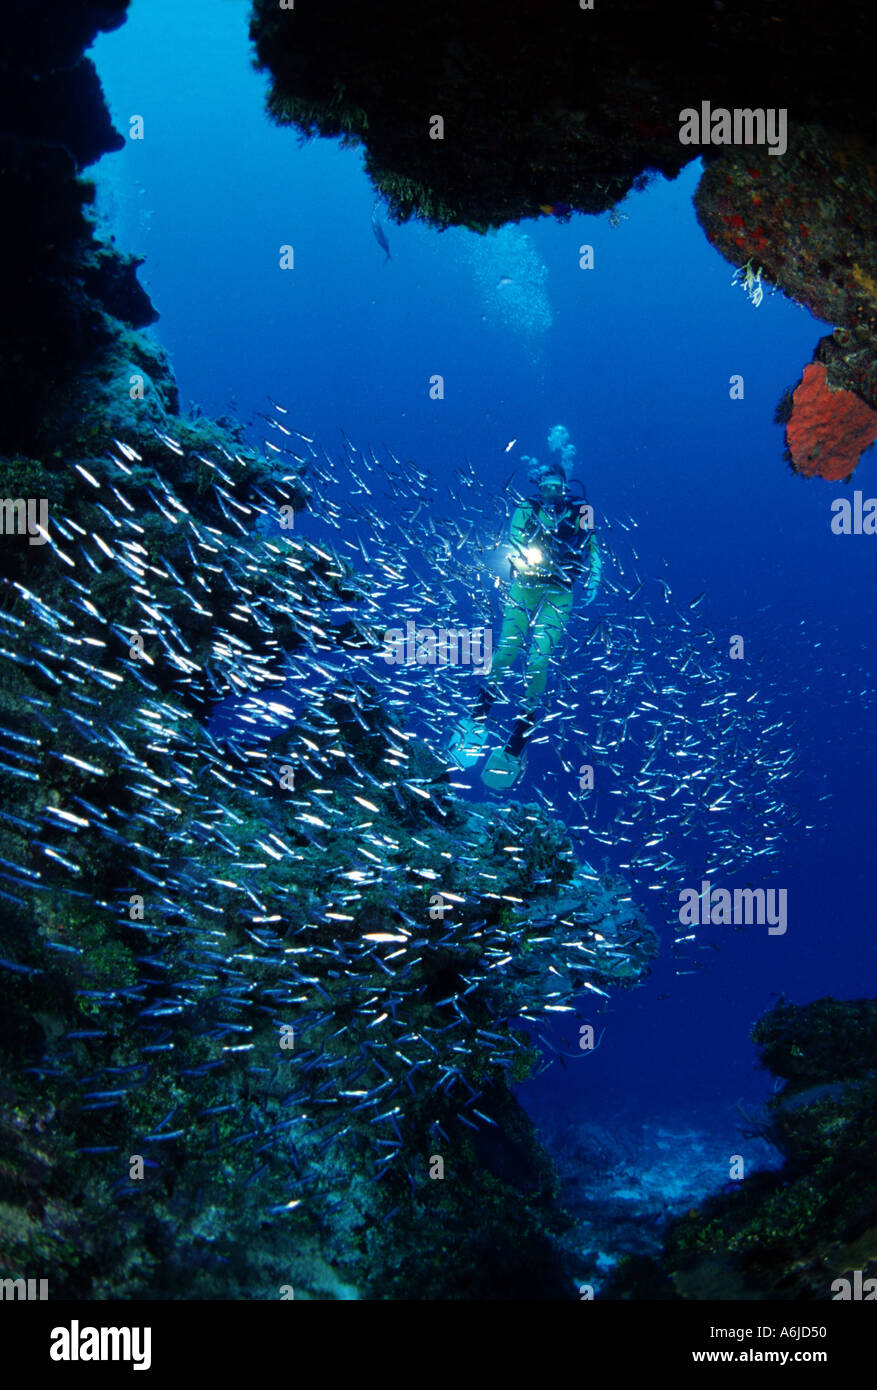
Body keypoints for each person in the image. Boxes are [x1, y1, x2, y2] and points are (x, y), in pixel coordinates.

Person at [448, 425, 602, 790]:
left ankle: (518, 739)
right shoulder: (525, 508)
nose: (552, 492)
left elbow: (593, 550)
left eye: (557, 486)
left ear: (566, 487)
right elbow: (513, 540)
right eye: (545, 486)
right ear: (538, 486)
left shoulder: (583, 511)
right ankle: (478, 717)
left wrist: (593, 576)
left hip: (560, 593)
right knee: (505, 652)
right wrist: (532, 551)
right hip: (526, 587)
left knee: (538, 659)